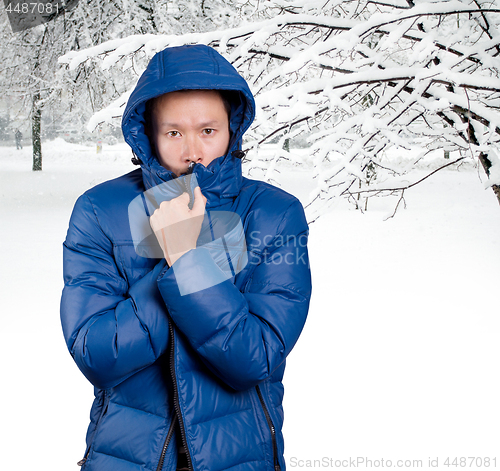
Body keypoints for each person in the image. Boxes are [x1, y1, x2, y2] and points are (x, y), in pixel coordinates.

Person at [61, 44, 312, 471]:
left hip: (240, 457)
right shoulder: (100, 211)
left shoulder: (274, 213)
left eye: (208, 131)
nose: (193, 151)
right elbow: (96, 353)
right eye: (174, 132)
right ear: (148, 134)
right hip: (122, 457)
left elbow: (256, 358)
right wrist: (177, 264)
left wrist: (187, 257)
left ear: (232, 129)